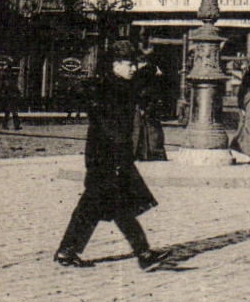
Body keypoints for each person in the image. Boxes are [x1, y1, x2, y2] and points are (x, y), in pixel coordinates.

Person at [54, 40, 166, 270]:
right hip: (106, 155)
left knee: (93, 206)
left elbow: (140, 79)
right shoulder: (106, 89)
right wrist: (117, 158)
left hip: (111, 155)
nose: (132, 68)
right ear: (115, 64)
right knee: (118, 206)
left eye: (134, 64)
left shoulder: (122, 83)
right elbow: (109, 127)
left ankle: (67, 251)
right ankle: (143, 254)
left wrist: (150, 67)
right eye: (128, 64)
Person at [131, 42, 168, 161]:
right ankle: (153, 153)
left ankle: (142, 153)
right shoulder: (155, 71)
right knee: (150, 129)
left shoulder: (142, 72)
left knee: (140, 129)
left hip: (145, 102)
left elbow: (141, 89)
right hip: (151, 102)